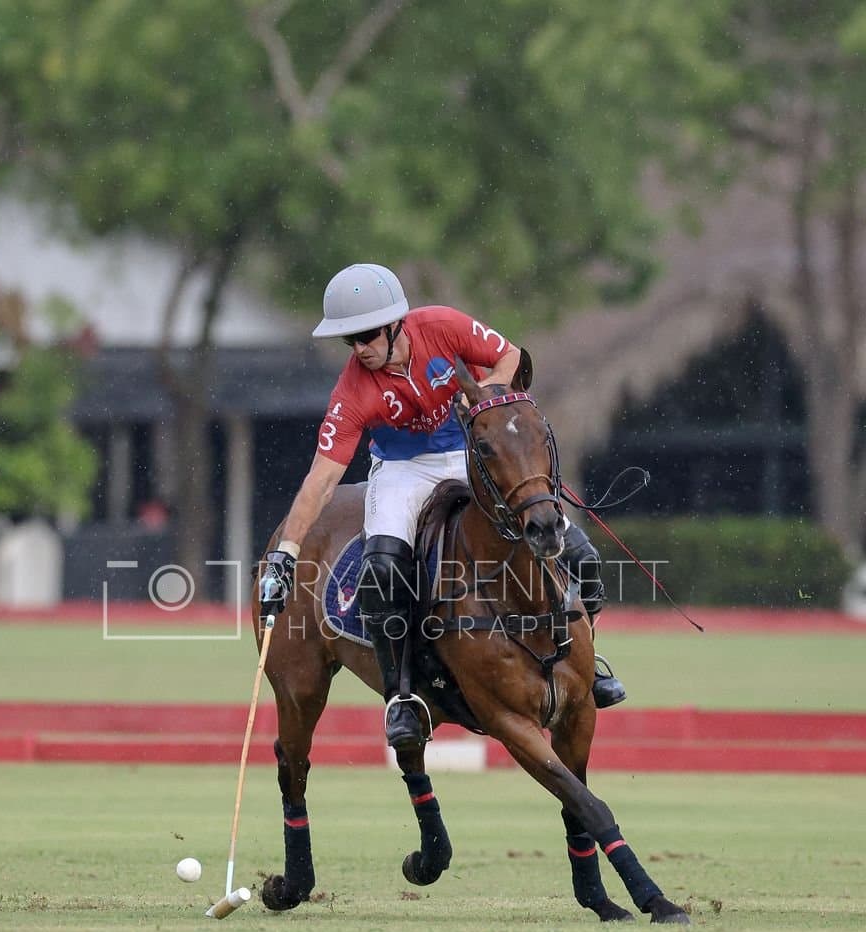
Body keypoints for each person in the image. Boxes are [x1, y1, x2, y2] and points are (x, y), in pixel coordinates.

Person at [259, 263, 625, 752]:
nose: (360, 348)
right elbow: (322, 479)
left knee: (578, 553)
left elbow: (511, 358)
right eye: (350, 341)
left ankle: (584, 661)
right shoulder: (352, 391)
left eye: (367, 335)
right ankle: (401, 697)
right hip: (401, 471)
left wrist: (485, 405)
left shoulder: (442, 325)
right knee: (384, 568)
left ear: (395, 325)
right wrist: (286, 551)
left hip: (470, 452)